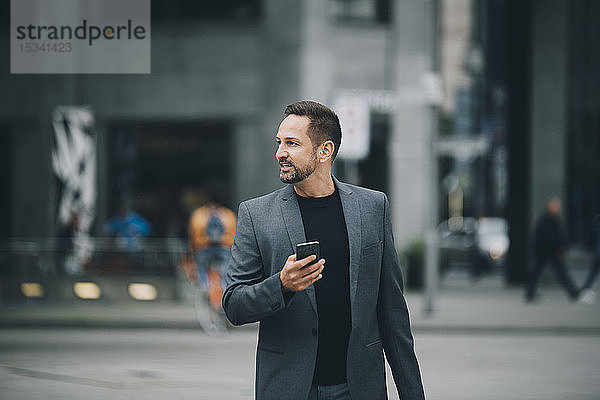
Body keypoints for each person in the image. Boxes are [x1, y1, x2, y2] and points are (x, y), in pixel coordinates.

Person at [222, 101, 425, 400]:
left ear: (324, 151)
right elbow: (234, 305)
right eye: (279, 143)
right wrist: (281, 286)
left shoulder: (372, 208)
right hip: (289, 388)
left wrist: (412, 394)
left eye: (292, 143)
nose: (280, 153)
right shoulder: (256, 215)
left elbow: (392, 312)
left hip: (357, 388)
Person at [525, 197, 579, 302]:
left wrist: (564, 246)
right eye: (555, 206)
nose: (557, 208)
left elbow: (561, 236)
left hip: (552, 252)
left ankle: (573, 292)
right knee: (537, 272)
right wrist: (560, 247)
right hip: (545, 252)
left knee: (560, 273)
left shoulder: (555, 219)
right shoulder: (545, 220)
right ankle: (530, 293)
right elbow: (547, 237)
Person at [188, 200, 236, 293]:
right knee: (226, 269)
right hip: (224, 248)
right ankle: (225, 288)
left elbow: (193, 234)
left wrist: (194, 249)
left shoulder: (198, 214)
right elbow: (234, 233)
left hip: (204, 248)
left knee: (201, 266)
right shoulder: (228, 214)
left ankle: (204, 287)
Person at [579, 214, 600, 304]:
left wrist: (591, 252)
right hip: (597, 254)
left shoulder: (595, 229)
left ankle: (585, 290)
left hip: (596, 254)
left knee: (592, 274)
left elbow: (589, 242)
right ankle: (585, 290)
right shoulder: (596, 230)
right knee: (592, 273)